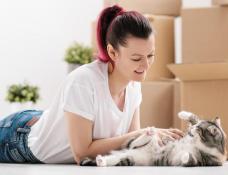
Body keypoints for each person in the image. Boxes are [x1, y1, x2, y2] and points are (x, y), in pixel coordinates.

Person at [0, 5, 184, 165]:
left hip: (45, 122)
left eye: (150, 55)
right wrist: (144, 134)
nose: (145, 66)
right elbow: (82, 154)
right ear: (112, 52)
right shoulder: (83, 82)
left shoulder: (133, 85)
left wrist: (157, 139)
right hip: (19, 137)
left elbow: (130, 145)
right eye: (136, 58)